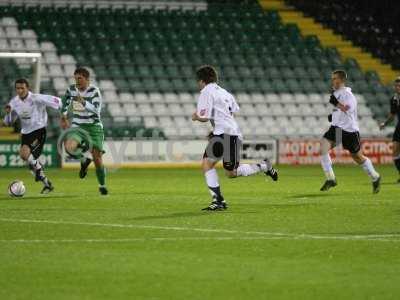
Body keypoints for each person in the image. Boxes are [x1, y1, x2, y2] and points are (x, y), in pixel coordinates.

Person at [192, 65, 278, 211]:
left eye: (198, 81)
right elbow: (229, 113)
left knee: (222, 170)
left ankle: (219, 200)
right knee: (227, 171)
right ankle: (262, 166)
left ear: (201, 81)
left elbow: (204, 117)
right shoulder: (225, 93)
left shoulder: (206, 92)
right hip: (229, 133)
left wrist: (196, 117)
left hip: (225, 135)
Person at [320, 70, 381, 193]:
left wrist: (336, 103)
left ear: (342, 80)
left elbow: (347, 109)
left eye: (335, 78)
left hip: (349, 131)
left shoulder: (349, 95)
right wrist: (333, 116)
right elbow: (339, 110)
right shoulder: (336, 94)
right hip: (337, 128)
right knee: (323, 147)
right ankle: (331, 178)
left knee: (357, 157)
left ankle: (375, 177)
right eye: (332, 78)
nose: (333, 81)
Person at [2, 78, 61, 193]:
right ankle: (47, 184)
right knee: (28, 161)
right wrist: (8, 114)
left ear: (27, 88)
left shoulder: (36, 98)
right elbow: (9, 122)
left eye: (22, 88)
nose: (19, 91)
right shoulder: (14, 102)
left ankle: (38, 167)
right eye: (17, 88)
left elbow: (58, 101)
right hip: (25, 133)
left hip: (39, 131)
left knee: (25, 155)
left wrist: (64, 114)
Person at [60, 67, 108, 195]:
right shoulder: (71, 89)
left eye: (80, 78)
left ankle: (102, 185)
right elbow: (64, 103)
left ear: (87, 79)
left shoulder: (94, 91)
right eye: (75, 78)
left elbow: (96, 110)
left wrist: (84, 102)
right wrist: (63, 116)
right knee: (69, 147)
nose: (77, 81)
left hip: (94, 127)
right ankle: (84, 160)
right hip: (78, 126)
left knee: (97, 158)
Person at [379, 77, 400, 182]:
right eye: (396, 85)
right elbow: (392, 115)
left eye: (399, 85)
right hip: (399, 127)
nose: (397, 87)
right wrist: (385, 123)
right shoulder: (394, 99)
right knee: (395, 151)